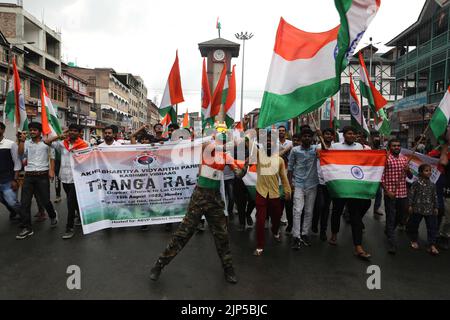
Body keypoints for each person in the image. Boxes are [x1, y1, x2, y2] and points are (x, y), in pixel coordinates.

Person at [149, 132, 248, 284]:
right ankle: (159, 265)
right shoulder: (206, 149)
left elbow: (239, 174)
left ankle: (228, 268)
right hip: (199, 197)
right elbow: (207, 145)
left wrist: (246, 165)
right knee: (183, 233)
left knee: (222, 235)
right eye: (220, 139)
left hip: (215, 199)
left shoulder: (226, 157)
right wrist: (229, 142)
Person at [328, 126, 371, 260]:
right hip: (340, 186)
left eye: (354, 134)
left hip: (354, 187)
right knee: (337, 211)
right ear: (344, 135)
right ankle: (334, 234)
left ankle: (358, 246)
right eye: (349, 133)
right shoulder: (335, 147)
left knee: (355, 216)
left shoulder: (360, 147)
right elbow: (329, 161)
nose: (352, 136)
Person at [45, 124, 89, 239]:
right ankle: (81, 216)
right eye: (71, 131)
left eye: (75, 131)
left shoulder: (85, 146)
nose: (72, 133)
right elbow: (47, 142)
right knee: (73, 203)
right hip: (64, 178)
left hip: (77, 179)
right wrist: (60, 136)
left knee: (70, 203)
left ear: (80, 133)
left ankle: (69, 228)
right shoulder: (63, 144)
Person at [16, 122, 58, 240]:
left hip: (42, 176)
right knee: (25, 203)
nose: (32, 132)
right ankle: (27, 228)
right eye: (31, 130)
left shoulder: (46, 143)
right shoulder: (27, 143)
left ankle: (53, 215)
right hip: (29, 176)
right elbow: (20, 154)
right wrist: (22, 141)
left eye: (35, 130)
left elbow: (52, 157)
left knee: (45, 201)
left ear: (40, 131)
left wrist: (52, 170)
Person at [253, 129, 291, 256]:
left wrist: (287, 190)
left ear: (275, 144)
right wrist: (254, 130)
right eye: (266, 141)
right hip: (261, 192)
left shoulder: (279, 160)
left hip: (274, 194)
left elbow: (284, 177)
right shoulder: (258, 154)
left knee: (277, 217)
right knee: (260, 220)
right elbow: (247, 143)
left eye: (271, 141)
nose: (269, 142)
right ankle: (260, 245)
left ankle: (275, 232)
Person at [288, 128, 318, 249]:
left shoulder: (316, 149)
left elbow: (327, 149)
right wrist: (290, 184)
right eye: (304, 136)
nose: (307, 138)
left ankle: (305, 234)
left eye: (309, 136)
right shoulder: (295, 150)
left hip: (312, 184)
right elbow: (290, 168)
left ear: (312, 138)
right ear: (301, 139)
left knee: (309, 211)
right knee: (297, 210)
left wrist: (319, 134)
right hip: (298, 184)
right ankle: (296, 236)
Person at [381, 138, 413, 254]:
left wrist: (408, 170)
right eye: (394, 146)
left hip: (403, 194)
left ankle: (388, 230)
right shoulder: (385, 159)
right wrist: (387, 191)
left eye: (398, 145)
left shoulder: (405, 159)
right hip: (391, 194)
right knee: (390, 217)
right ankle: (391, 243)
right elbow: (381, 177)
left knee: (401, 217)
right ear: (390, 147)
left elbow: (410, 177)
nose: (396, 147)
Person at [407, 164, 439, 255]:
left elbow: (435, 196)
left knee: (432, 227)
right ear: (420, 172)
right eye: (426, 170)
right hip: (417, 208)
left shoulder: (432, 185)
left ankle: (432, 245)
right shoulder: (416, 183)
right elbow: (411, 194)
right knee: (414, 225)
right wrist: (410, 205)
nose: (429, 172)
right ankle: (413, 240)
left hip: (430, 209)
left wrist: (436, 207)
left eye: (430, 171)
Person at [312, 128, 334, 241]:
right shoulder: (318, 147)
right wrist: (320, 137)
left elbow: (329, 153)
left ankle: (323, 231)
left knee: (326, 207)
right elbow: (325, 151)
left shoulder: (336, 148)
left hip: (330, 182)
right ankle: (314, 223)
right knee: (319, 205)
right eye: (326, 134)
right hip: (319, 181)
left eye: (330, 134)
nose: (328, 136)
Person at [0, 122, 22, 221]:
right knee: (3, 200)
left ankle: (24, 216)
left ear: (3, 130)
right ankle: (13, 212)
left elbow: (17, 162)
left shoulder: (10, 144)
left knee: (11, 201)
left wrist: (15, 179)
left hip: (8, 179)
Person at [371, 133, 384, 216]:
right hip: (368, 175)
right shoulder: (368, 150)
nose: (377, 141)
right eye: (375, 140)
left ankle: (376, 208)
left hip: (378, 176)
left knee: (379, 193)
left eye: (378, 140)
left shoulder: (382, 150)